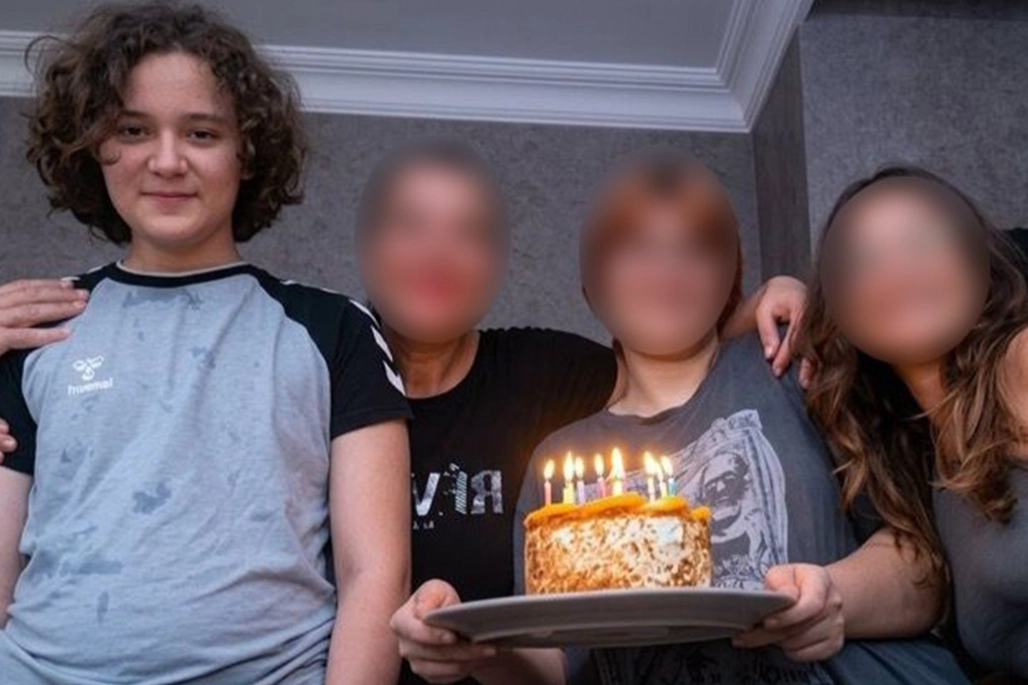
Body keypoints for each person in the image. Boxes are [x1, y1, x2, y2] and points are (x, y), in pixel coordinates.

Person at [0, 135, 807, 685]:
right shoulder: (306, 362)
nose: (437, 255)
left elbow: (662, 348)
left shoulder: (548, 373)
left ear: (497, 263)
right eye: (410, 226)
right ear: (369, 247)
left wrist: (759, 308)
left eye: (469, 234)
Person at [395, 151, 969, 684]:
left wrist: (832, 596)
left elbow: (925, 562)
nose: (666, 269)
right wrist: (474, 646)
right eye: (636, 247)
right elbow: (555, 663)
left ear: (730, 276)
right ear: (592, 282)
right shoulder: (556, 463)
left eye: (696, 247)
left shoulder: (793, 367)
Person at [0, 5, 411, 684]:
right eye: (133, 129)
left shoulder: (334, 328)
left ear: (246, 153)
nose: (167, 161)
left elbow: (376, 574)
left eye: (201, 132)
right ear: (92, 145)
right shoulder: (32, 327)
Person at [801, 166, 1028, 680]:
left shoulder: (1016, 366)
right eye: (863, 262)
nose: (898, 273)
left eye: (923, 241)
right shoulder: (923, 460)